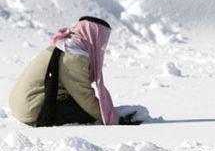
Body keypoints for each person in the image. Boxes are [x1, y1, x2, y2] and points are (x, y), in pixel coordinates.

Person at [9, 16, 140, 126]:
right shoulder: (74, 54)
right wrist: (113, 120)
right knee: (87, 113)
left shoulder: (66, 45)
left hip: (25, 104)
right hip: (31, 107)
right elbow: (83, 96)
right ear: (94, 35)